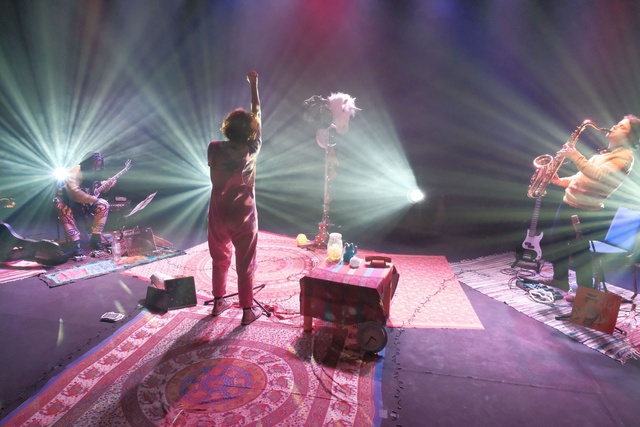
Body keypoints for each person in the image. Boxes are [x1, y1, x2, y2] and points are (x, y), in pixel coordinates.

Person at [542, 115, 640, 296]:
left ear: (631, 137)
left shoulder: (624, 158)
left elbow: (599, 176)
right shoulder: (607, 153)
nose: (614, 127)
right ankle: (560, 280)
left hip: (584, 211)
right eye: (616, 124)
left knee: (580, 254)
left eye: (621, 127)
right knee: (557, 241)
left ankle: (585, 296)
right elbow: (583, 177)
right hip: (569, 203)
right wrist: (559, 181)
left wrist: (574, 154)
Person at [207, 70, 263, 326]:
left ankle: (219, 303)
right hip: (243, 215)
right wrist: (254, 86)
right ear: (250, 131)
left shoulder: (214, 148)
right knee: (245, 263)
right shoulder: (251, 150)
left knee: (219, 258)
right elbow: (258, 116)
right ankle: (247, 311)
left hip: (218, 214)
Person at [55, 152, 116, 257]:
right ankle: (75, 242)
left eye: (98, 166)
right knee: (63, 209)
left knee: (104, 205)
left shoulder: (94, 172)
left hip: (86, 201)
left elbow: (95, 186)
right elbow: (74, 191)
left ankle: (96, 238)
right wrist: (92, 199)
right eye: (95, 165)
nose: (96, 168)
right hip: (69, 200)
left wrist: (108, 184)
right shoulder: (75, 171)